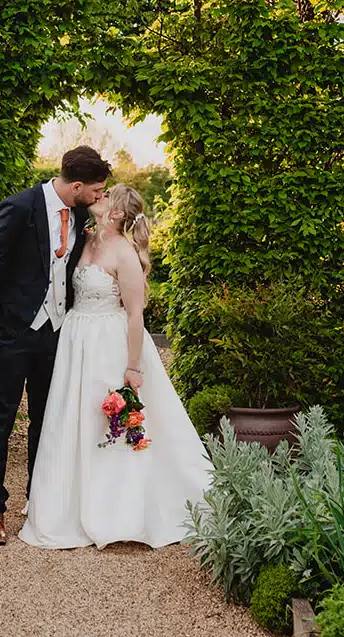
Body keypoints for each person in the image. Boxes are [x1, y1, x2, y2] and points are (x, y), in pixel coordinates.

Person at [19, 183, 212, 549]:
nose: (98, 198)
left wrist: (133, 367)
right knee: (71, 418)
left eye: (106, 197)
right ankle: (66, 503)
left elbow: (136, 316)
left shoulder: (125, 254)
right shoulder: (86, 239)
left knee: (105, 421)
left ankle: (115, 509)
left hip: (108, 343)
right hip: (75, 339)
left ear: (119, 213)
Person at [0, 145, 111, 546]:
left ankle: (39, 501)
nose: (100, 196)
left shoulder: (83, 215)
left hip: (55, 335)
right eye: (98, 190)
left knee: (46, 421)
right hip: (11, 334)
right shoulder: (18, 207)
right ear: (78, 185)